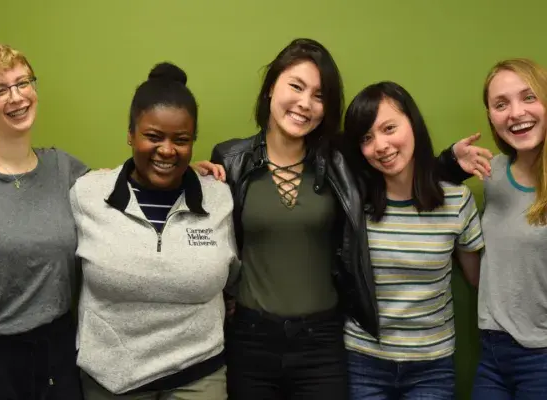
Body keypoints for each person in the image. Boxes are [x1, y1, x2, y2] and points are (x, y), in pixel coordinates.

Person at [192, 38, 491, 400]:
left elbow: (394, 168)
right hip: (252, 338)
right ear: (272, 87)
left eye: (319, 96)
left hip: (323, 341)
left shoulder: (338, 162)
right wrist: (187, 176)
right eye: (296, 86)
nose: (305, 103)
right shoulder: (231, 159)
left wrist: (448, 165)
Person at [71, 62, 240, 400]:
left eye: (181, 140)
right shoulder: (87, 193)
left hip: (199, 376)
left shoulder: (218, 196)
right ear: (130, 134)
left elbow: (232, 275)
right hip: (111, 381)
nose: (167, 150)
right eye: (153, 137)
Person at [0, 43, 86, 399]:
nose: (16, 97)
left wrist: (186, 173)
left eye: (23, 82)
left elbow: (126, 188)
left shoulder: (63, 168)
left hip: (57, 350)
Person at [341, 81, 484, 399]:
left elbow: (478, 279)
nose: (380, 145)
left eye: (389, 128)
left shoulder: (457, 201)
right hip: (363, 361)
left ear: (413, 125)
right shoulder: (352, 204)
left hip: (431, 366)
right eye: (367, 138)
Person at [471, 58, 547, 400]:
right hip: (491, 352)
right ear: (491, 116)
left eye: (528, 97)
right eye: (501, 104)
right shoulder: (492, 173)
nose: (516, 113)